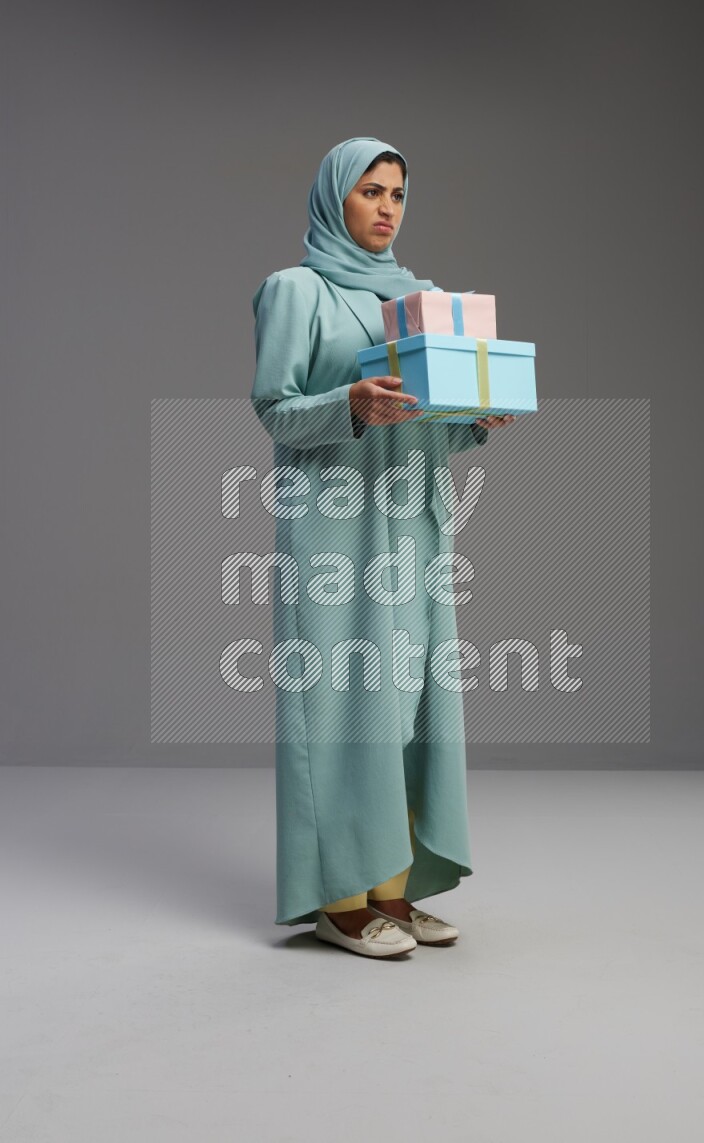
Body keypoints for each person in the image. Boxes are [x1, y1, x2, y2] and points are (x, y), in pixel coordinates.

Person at [250, 136, 514, 959]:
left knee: (411, 708)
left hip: (414, 523)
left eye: (398, 194)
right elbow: (275, 409)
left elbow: (426, 431)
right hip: (334, 524)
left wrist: (473, 418)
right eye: (370, 191)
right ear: (336, 198)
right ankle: (339, 897)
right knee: (341, 709)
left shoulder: (425, 299)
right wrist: (351, 403)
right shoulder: (296, 290)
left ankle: (393, 891)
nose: (387, 208)